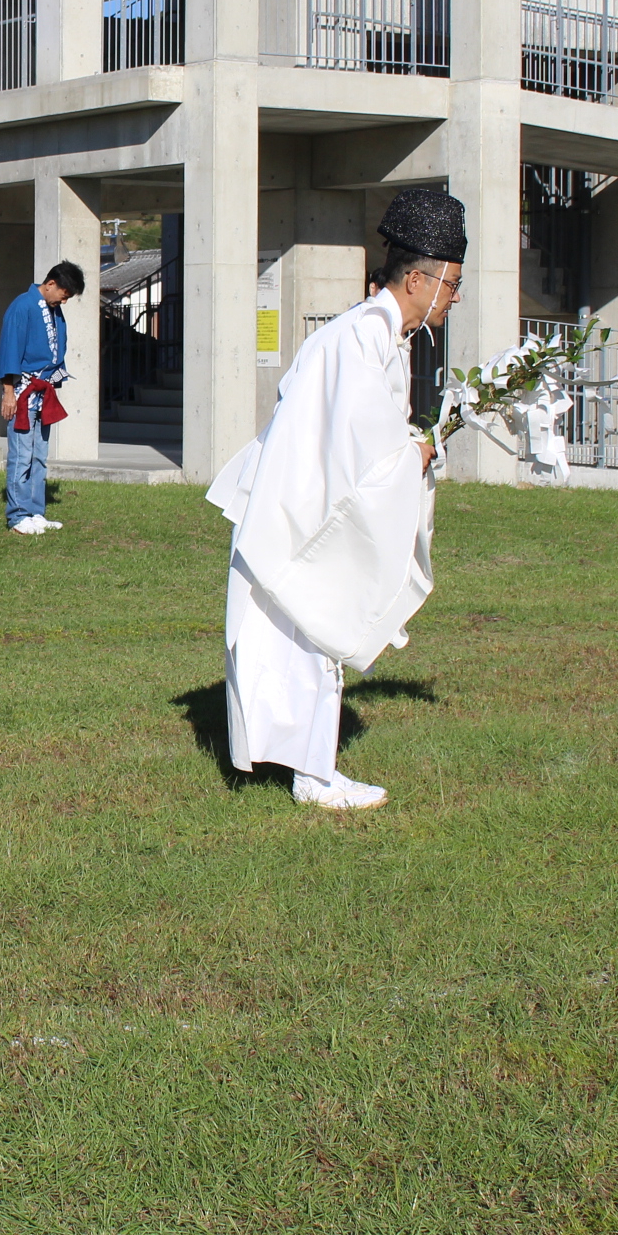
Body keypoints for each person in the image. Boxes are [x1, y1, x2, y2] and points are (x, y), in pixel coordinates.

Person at [206, 188, 464, 814]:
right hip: (299, 515)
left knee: (313, 640)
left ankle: (313, 768)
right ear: (418, 279)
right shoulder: (359, 339)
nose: (454, 298)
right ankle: (312, 777)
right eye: (451, 285)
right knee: (307, 635)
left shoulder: (383, 337)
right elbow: (366, 448)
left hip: (309, 507)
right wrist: (423, 452)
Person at [0, 261, 85, 536]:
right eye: (64, 294)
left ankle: (36, 511)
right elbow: (9, 350)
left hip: (44, 391)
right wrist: (8, 393)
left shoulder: (55, 310)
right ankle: (17, 515)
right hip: (23, 391)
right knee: (21, 455)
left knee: (40, 456)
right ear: (50, 284)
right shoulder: (22, 306)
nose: (64, 300)